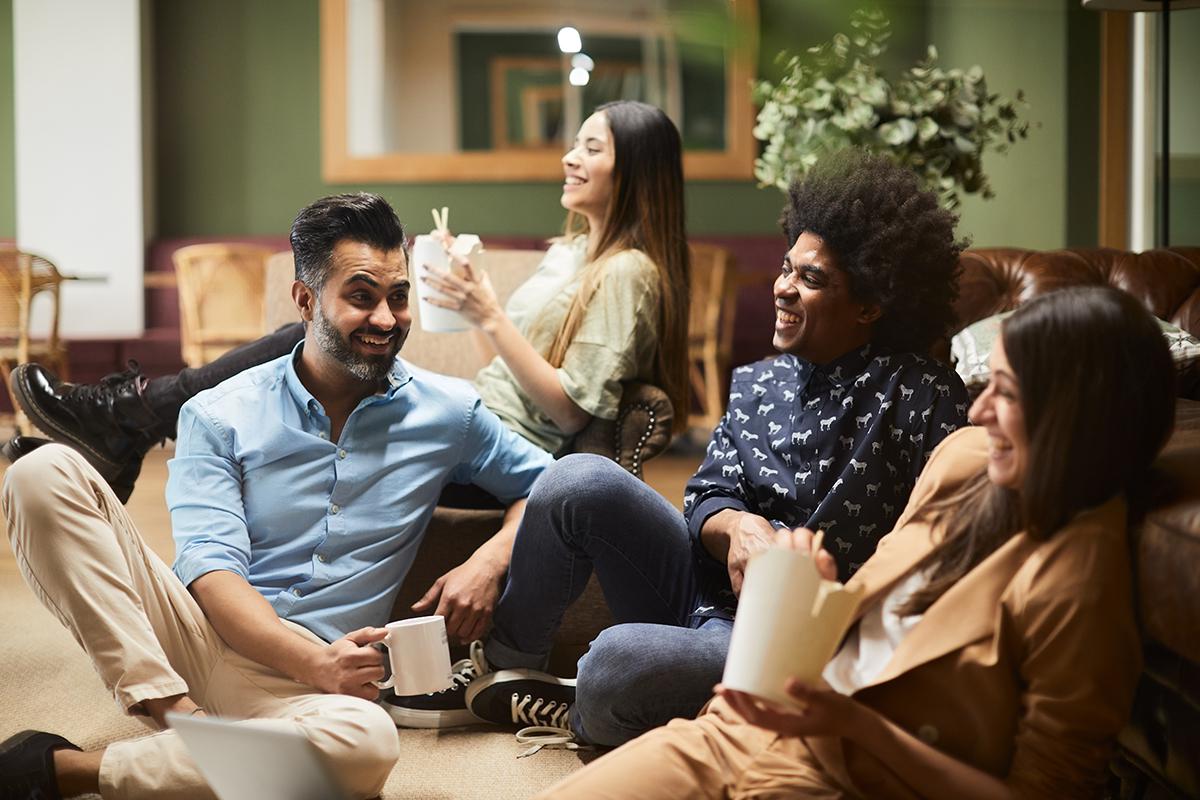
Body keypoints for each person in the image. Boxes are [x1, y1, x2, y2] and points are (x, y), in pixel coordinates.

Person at [392, 150, 971, 746]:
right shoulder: (758, 381)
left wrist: (821, 594)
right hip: (696, 587)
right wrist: (740, 527)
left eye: (812, 279)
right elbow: (704, 496)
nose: (783, 288)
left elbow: (950, 536)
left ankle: (583, 709)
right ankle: (503, 672)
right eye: (785, 268)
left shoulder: (919, 393)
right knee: (574, 478)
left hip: (793, 635)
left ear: (871, 304)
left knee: (617, 663)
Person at [0, 193, 552, 799]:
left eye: (398, 297)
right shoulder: (218, 412)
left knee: (367, 747)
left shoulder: (449, 412)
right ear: (305, 300)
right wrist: (310, 662)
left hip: (311, 692)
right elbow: (210, 571)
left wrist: (490, 559)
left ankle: (61, 770)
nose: (388, 319)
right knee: (42, 471)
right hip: (196, 639)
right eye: (362, 297)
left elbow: (548, 485)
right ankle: (180, 720)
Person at [539, 284, 1176, 798]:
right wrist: (804, 593)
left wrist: (852, 725)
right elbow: (869, 613)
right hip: (747, 722)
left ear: (1074, 412)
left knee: (617, 664)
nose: (978, 412)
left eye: (1005, 394)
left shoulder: (1080, 586)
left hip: (841, 776)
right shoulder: (965, 461)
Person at [7, 99, 690, 500]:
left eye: (591, 148)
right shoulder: (571, 252)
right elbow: (509, 361)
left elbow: (571, 409)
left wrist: (486, 311)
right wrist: (468, 296)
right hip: (478, 409)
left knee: (302, 347)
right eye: (574, 143)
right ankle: (110, 438)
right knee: (301, 353)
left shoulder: (629, 274)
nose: (570, 157)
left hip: (500, 448)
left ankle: (120, 423)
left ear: (633, 169)